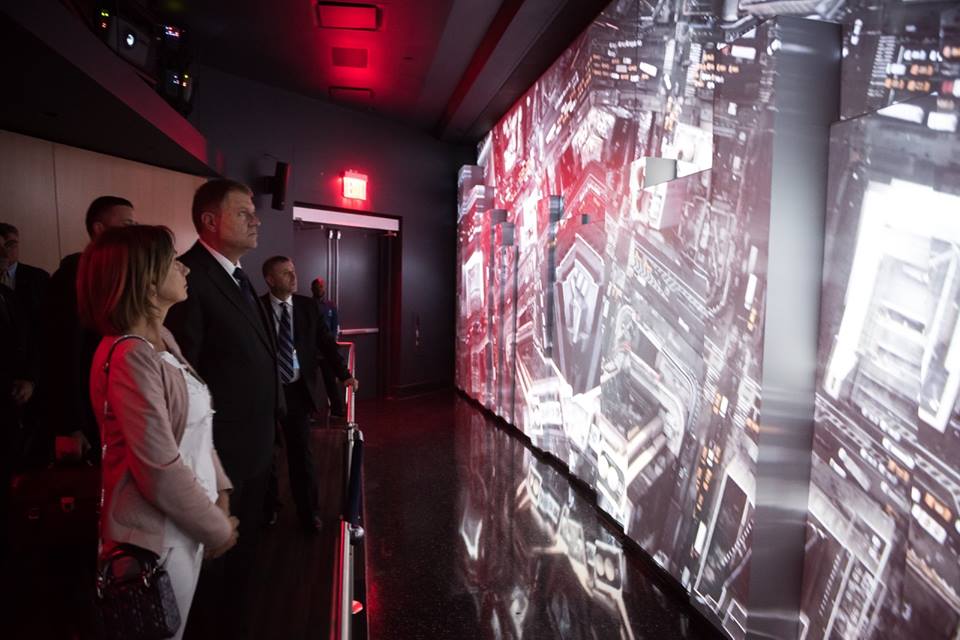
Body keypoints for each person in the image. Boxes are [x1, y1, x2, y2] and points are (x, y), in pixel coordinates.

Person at [79, 225, 238, 640]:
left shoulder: (161, 339)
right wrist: (217, 527)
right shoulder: (130, 356)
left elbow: (197, 426)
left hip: (188, 523)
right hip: (159, 538)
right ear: (147, 282)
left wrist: (220, 490)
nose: (185, 268)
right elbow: (158, 468)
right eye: (172, 262)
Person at [164, 179, 280, 639]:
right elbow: (186, 380)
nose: (256, 221)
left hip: (254, 445)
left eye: (254, 212)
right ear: (210, 221)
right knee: (216, 572)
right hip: (219, 455)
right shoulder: (188, 278)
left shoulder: (237, 274)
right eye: (243, 213)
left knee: (244, 560)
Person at [261, 257, 357, 532]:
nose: (293, 277)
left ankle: (309, 513)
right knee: (266, 455)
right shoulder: (256, 307)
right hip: (266, 393)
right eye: (285, 273)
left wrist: (344, 374)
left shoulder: (308, 307)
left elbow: (326, 343)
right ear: (270, 279)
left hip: (297, 392)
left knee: (301, 454)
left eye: (293, 271)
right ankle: (269, 509)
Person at [44, 196, 137, 461]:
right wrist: (70, 424)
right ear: (99, 229)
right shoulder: (76, 274)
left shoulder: (117, 272)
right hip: (87, 409)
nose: (133, 231)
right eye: (127, 224)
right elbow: (63, 351)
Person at [311, 276, 347, 418]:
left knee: (331, 381)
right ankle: (309, 414)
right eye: (317, 286)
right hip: (312, 351)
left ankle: (337, 410)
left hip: (327, 350)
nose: (320, 289)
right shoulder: (308, 305)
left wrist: (332, 345)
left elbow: (335, 327)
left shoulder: (330, 306)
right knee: (309, 383)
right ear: (312, 289)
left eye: (321, 286)